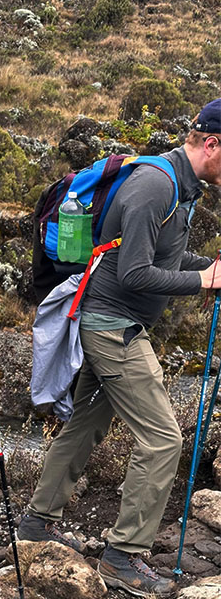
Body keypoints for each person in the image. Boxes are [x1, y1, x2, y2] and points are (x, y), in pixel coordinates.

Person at [17, 98, 221, 598]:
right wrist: (202, 280)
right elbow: (133, 272)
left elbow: (160, 254)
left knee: (85, 424)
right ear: (214, 144)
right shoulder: (156, 186)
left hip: (110, 321)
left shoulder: (183, 186)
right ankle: (124, 556)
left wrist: (206, 266)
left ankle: (36, 524)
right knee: (164, 438)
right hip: (113, 327)